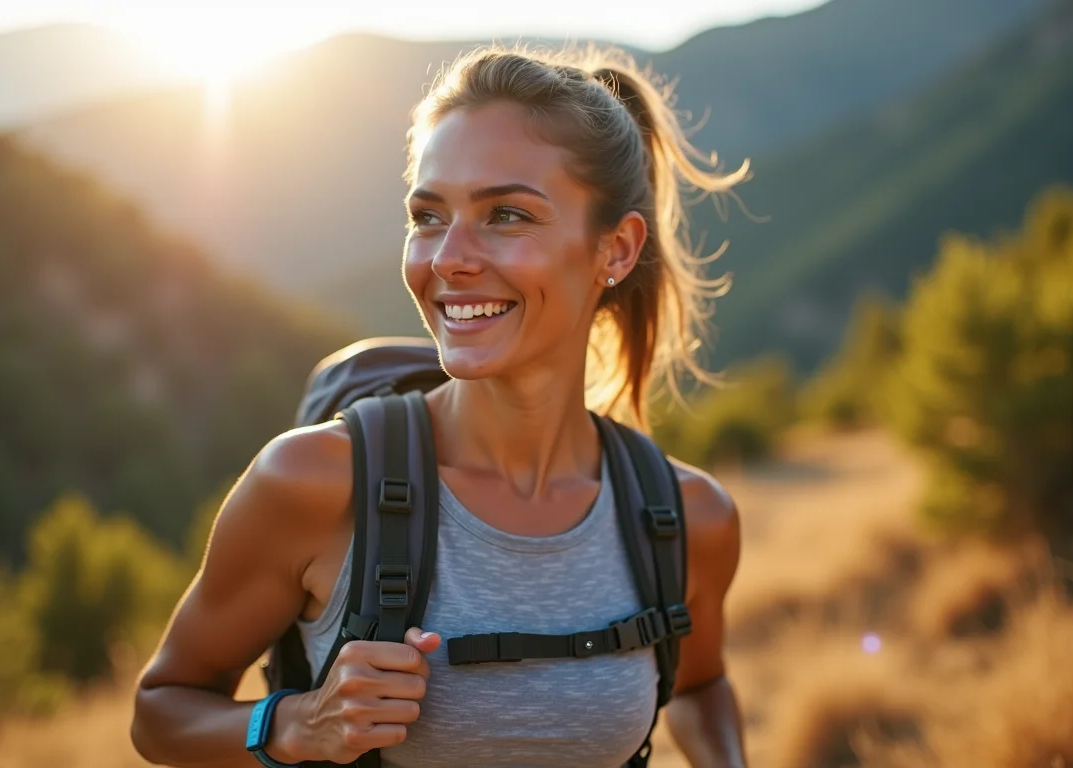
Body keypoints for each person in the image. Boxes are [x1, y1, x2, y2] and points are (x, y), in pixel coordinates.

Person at [131, 43, 750, 767]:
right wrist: (298, 723)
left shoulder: (684, 521)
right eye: (428, 217)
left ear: (615, 250)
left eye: (508, 215)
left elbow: (702, 686)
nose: (448, 258)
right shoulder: (313, 485)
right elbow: (160, 711)